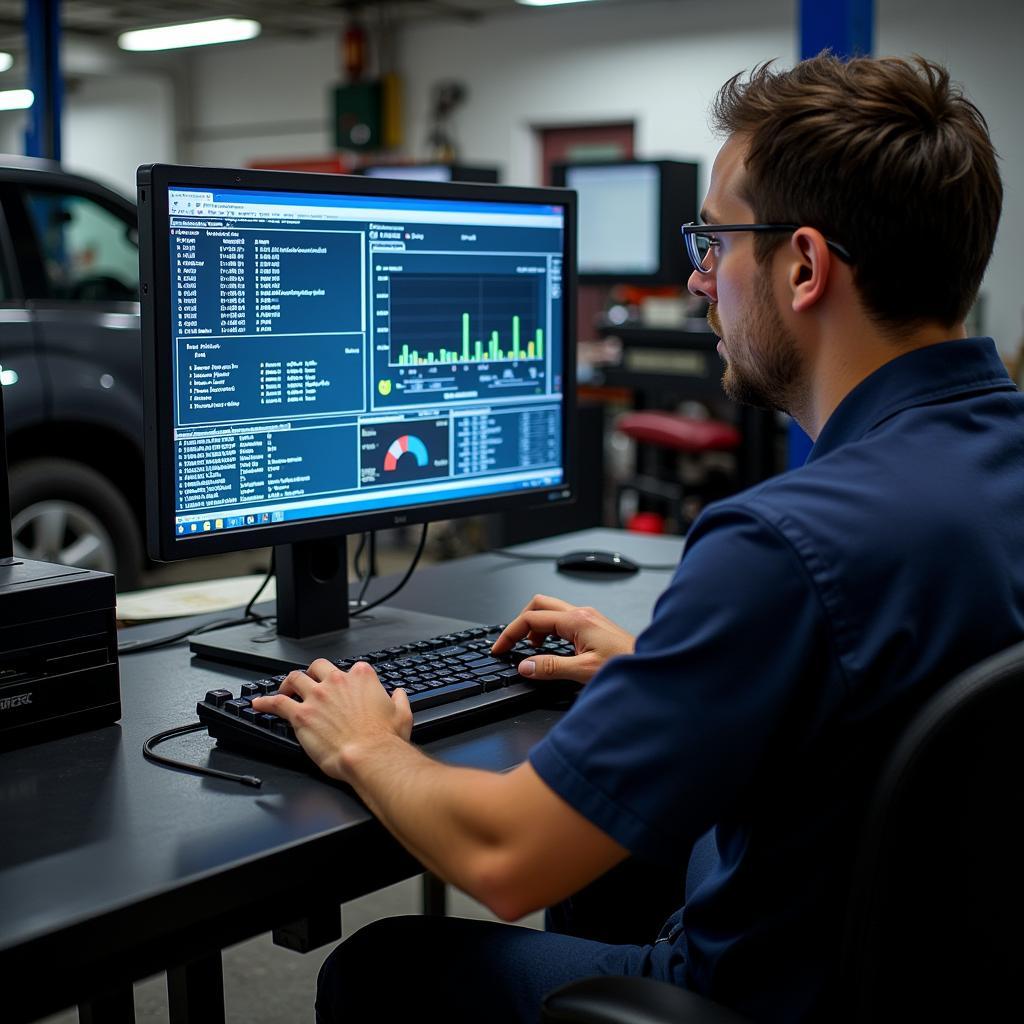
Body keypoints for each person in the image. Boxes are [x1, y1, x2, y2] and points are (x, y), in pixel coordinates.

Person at [253, 53, 1021, 1022]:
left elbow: (504, 858)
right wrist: (674, 671)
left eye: (715, 240)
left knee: (381, 967)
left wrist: (367, 743)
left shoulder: (784, 543)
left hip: (770, 997)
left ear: (803, 266)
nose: (701, 279)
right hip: (939, 976)